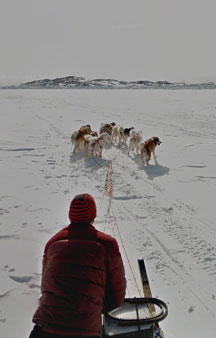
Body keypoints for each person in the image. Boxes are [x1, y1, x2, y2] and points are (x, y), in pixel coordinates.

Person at [29, 193, 126, 338]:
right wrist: (96, 308)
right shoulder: (107, 245)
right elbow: (116, 295)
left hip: (44, 328)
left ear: (70, 215)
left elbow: (46, 287)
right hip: (85, 330)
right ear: (93, 216)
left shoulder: (52, 243)